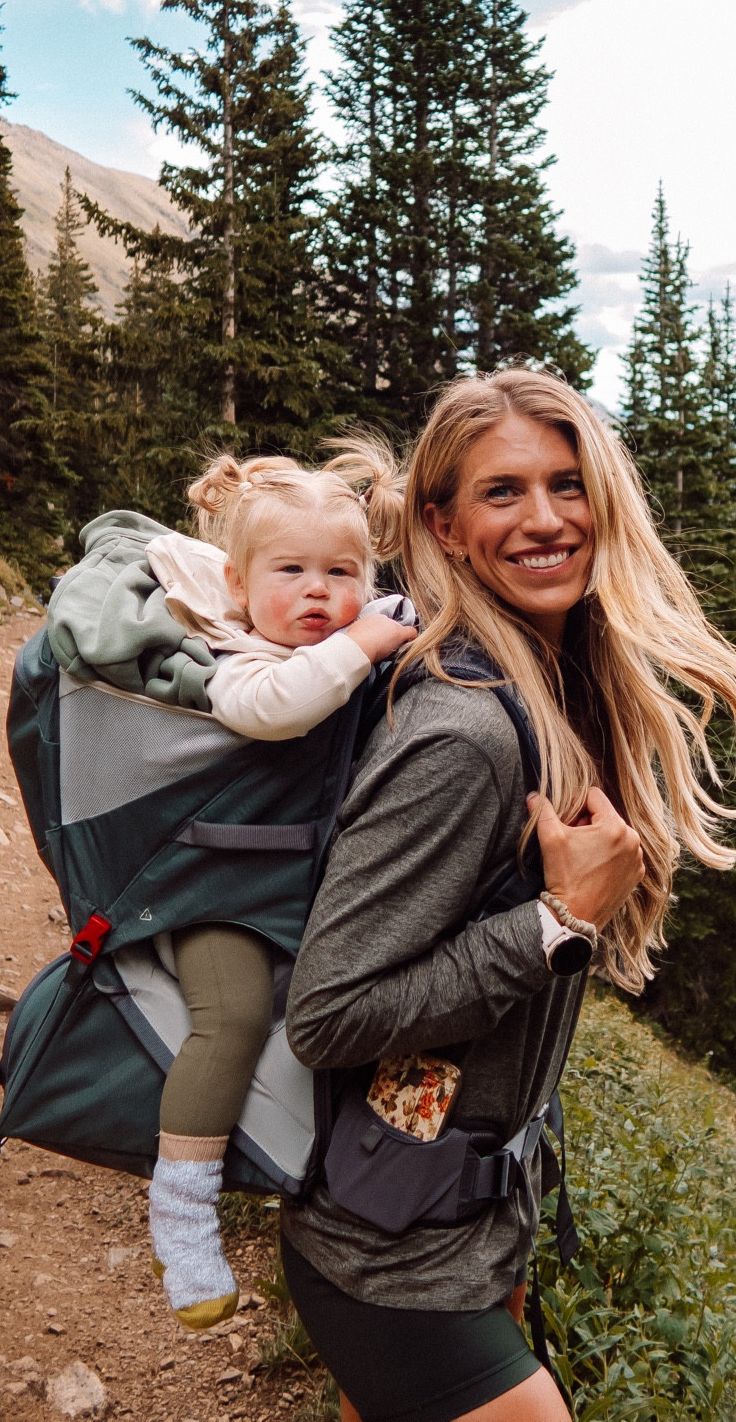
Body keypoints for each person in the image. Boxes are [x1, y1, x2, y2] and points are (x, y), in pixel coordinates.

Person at [283, 370, 736, 1422]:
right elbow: (328, 1011)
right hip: (388, 1260)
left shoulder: (534, 692)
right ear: (443, 528)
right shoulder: (465, 733)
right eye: (501, 493)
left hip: (445, 1228)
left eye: (564, 482)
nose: (545, 519)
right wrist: (555, 921)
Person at [144, 451, 417, 1330]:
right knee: (232, 1023)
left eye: (340, 574)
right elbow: (274, 711)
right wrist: (364, 638)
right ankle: (182, 1212)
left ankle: (310, 1188)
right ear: (238, 581)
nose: (316, 593)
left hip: (287, 883)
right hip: (213, 891)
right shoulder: (230, 656)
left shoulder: (334, 630)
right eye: (290, 572)